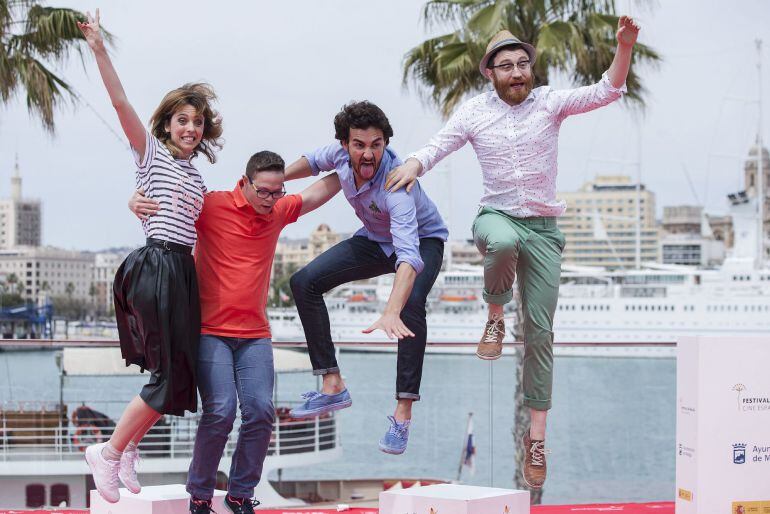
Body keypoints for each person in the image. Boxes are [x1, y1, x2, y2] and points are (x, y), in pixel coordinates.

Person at [384, 17, 641, 487]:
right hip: (496, 217)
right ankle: (495, 316)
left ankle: (537, 440)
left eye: (524, 64)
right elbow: (440, 145)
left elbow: (607, 89)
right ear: (490, 73)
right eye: (507, 66)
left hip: (544, 229)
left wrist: (623, 47)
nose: (518, 72)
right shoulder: (474, 113)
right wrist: (415, 164)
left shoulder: (550, 103)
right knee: (502, 243)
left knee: (542, 335)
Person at [130, 152, 341, 514]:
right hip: (209, 332)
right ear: (243, 183)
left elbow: (316, 193)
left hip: (255, 335)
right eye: (263, 192)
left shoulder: (277, 211)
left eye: (277, 192)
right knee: (222, 411)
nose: (270, 200)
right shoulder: (211, 205)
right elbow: (167, 206)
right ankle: (199, 493)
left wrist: (357, 168)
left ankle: (241, 494)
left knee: (260, 412)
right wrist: (135, 199)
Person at [77, 10, 223, 503]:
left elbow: (205, 237)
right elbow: (119, 103)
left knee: (180, 376)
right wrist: (99, 48)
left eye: (197, 121)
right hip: (155, 265)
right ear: (166, 124)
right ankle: (110, 453)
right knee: (165, 376)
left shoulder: (198, 180)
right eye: (182, 120)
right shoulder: (151, 155)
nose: (191, 127)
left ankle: (129, 447)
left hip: (181, 270)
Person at [284, 101, 448, 455]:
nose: (369, 153)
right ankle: (332, 384)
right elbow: (310, 162)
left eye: (377, 144)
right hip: (374, 238)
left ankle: (402, 414)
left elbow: (409, 257)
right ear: (345, 145)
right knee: (303, 282)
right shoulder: (339, 157)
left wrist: (391, 310)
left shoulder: (396, 186)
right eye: (360, 145)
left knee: (411, 304)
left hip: (422, 239)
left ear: (385, 143)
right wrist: (271, 181)